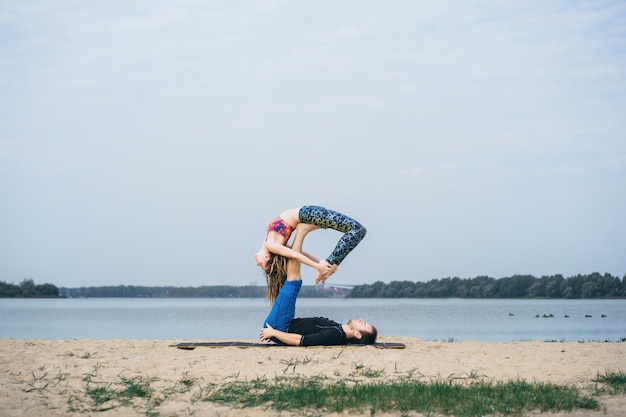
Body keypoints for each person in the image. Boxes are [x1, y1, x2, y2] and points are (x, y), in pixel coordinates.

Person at [259, 223, 377, 346]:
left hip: (279, 327)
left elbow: (301, 341)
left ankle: (301, 232)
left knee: (294, 282)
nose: (361, 320)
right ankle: (296, 237)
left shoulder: (335, 334)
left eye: (363, 324)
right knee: (293, 280)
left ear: (357, 334)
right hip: (285, 323)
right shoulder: (338, 331)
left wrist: (273, 333)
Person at [255, 206, 367, 292]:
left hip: (308, 213)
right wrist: (319, 265)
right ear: (266, 257)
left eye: (261, 266)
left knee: (358, 230)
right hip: (309, 214)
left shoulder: (272, 243)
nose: (257, 264)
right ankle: (332, 262)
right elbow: (298, 254)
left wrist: (319, 266)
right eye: (261, 265)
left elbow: (299, 254)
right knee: (358, 230)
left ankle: (332, 262)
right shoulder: (271, 245)